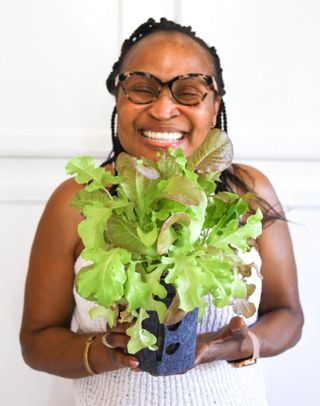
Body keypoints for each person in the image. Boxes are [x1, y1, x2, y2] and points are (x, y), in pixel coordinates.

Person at [20, 17, 304, 406]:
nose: (163, 109)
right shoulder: (77, 200)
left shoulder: (247, 191)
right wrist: (111, 353)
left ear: (215, 104)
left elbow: (288, 316)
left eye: (188, 92)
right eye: (142, 88)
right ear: (119, 98)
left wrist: (235, 345)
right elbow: (36, 342)